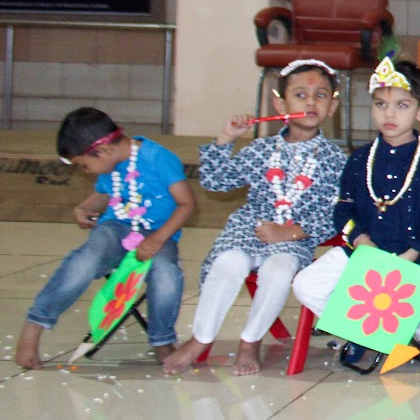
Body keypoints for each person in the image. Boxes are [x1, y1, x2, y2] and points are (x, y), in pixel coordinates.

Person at [163, 59, 347, 375]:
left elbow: (337, 214)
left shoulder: (336, 160)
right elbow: (216, 182)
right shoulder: (261, 149)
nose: (310, 103)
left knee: (279, 270)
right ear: (280, 104)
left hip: (293, 238)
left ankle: (251, 342)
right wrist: (226, 139)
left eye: (320, 96)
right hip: (248, 229)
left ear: (332, 107)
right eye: (300, 95)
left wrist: (289, 233)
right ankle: (201, 338)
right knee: (228, 263)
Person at [290, 57, 420, 367]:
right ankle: (360, 328)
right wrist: (360, 241)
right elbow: (343, 209)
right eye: (381, 104)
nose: (389, 113)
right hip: (366, 252)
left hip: (416, 255)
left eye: (402, 106)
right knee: (304, 285)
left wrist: (413, 253)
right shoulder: (359, 159)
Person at [14, 108, 195, 370]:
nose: (85, 171)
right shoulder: (108, 164)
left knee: (166, 272)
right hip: (116, 228)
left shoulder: (158, 158)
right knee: (87, 257)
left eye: (83, 165)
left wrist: (158, 238)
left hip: (159, 233)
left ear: (103, 150)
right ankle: (34, 326)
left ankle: (162, 339)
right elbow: (105, 194)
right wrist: (83, 207)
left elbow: (186, 204)